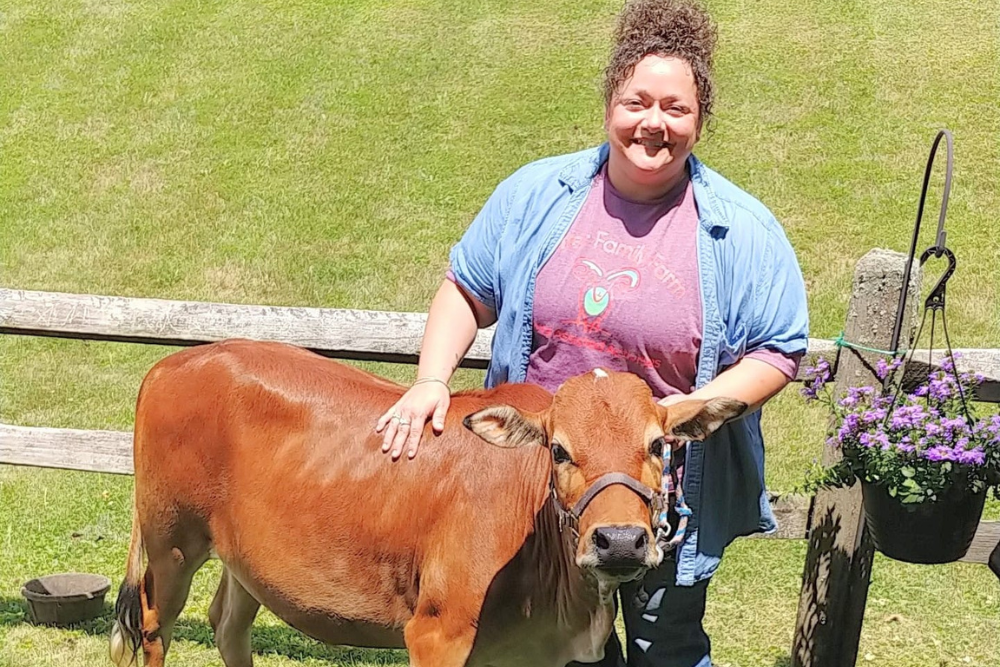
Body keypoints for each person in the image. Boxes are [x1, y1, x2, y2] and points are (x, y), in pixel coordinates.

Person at [375, 1, 809, 665]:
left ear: (700, 119)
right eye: (637, 102)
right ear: (610, 103)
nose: (654, 123)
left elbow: (778, 348)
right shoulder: (536, 194)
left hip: (664, 493)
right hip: (540, 494)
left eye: (676, 108)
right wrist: (433, 379)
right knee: (550, 647)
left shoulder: (740, 230)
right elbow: (466, 289)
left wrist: (692, 409)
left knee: (666, 644)